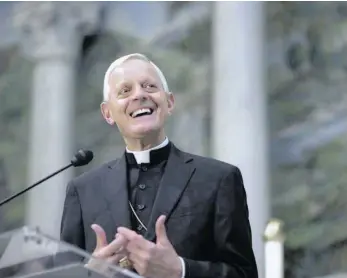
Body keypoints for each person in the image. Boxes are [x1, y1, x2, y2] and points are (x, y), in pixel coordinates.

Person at [60, 53, 258, 278]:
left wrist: (180, 270)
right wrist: (90, 275)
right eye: (125, 91)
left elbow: (245, 274)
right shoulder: (83, 191)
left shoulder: (219, 179)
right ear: (108, 113)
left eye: (149, 86)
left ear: (169, 102)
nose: (139, 95)